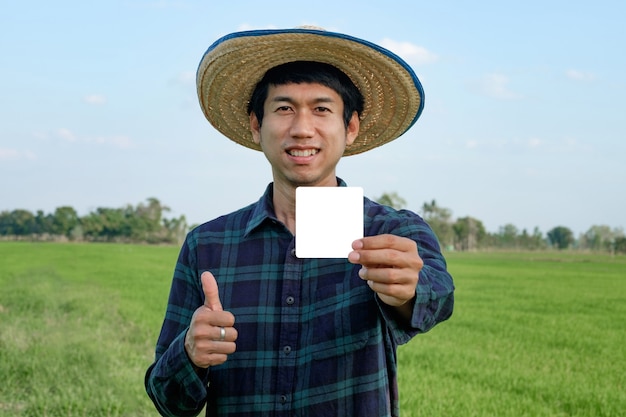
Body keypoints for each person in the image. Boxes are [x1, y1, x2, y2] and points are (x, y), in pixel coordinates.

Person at [145, 27, 454, 417]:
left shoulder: (389, 232)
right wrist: (191, 353)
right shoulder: (208, 244)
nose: (302, 128)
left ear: (351, 127)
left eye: (322, 109)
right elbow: (167, 400)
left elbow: (439, 297)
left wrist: (410, 289)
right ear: (257, 126)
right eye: (284, 108)